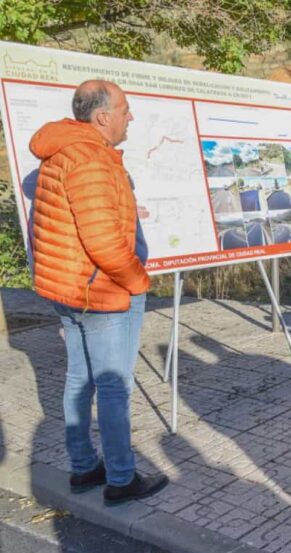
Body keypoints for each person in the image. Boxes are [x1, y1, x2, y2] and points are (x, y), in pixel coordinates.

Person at [29, 80, 168, 506]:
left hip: (71, 288)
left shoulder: (66, 150)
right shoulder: (90, 158)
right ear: (103, 116)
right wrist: (138, 281)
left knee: (79, 378)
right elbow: (103, 242)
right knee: (113, 386)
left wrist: (124, 208)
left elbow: (82, 218)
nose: (131, 116)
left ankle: (84, 466)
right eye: (125, 109)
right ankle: (122, 478)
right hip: (102, 292)